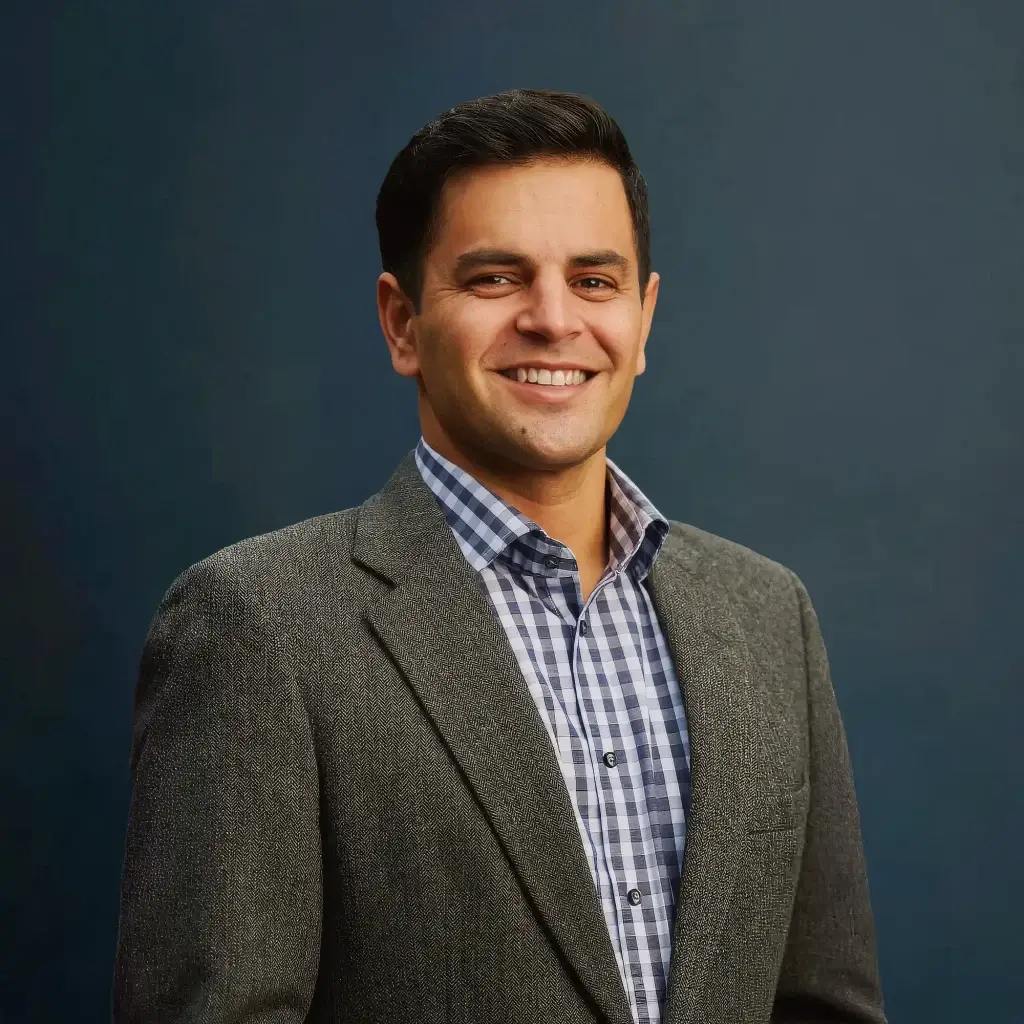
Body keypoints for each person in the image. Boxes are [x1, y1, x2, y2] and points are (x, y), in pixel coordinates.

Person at [113, 89, 886, 1024]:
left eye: (593, 281)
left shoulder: (766, 615)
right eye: (494, 279)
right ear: (402, 323)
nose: (553, 319)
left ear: (643, 318)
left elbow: (823, 1005)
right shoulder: (259, 625)